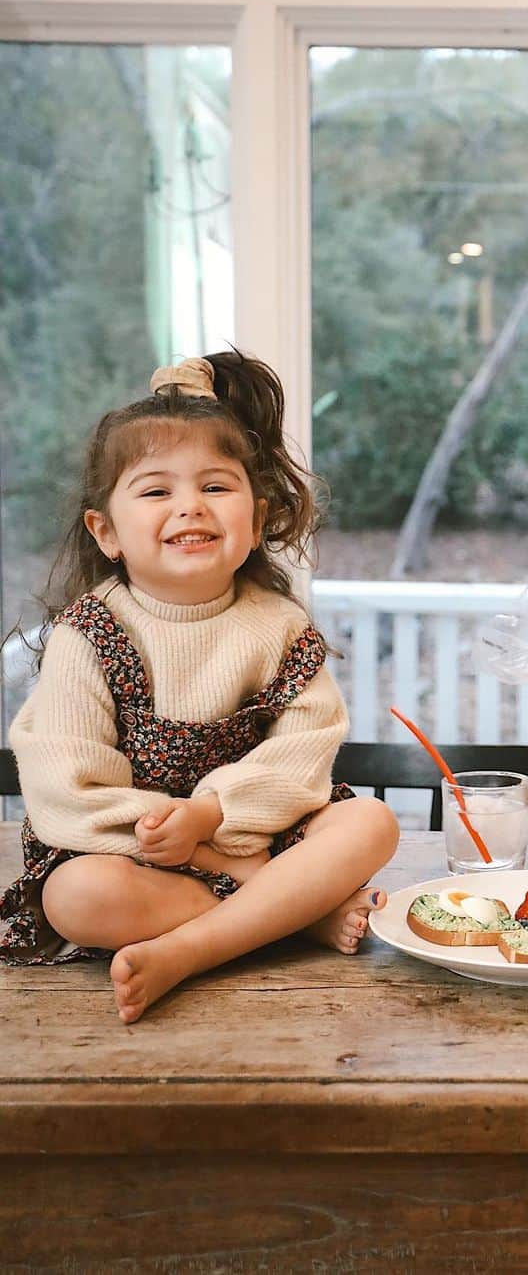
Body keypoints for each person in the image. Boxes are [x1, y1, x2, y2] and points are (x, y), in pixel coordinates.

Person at [0, 353, 399, 1025]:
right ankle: (294, 916)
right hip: (136, 860)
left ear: (254, 517)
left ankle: (189, 949)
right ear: (107, 531)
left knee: (370, 822)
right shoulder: (89, 634)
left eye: (216, 487)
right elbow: (65, 788)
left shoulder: (277, 625)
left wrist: (212, 820)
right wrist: (178, 837)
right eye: (156, 492)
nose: (189, 505)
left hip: (258, 836)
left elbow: (303, 753)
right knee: (76, 897)